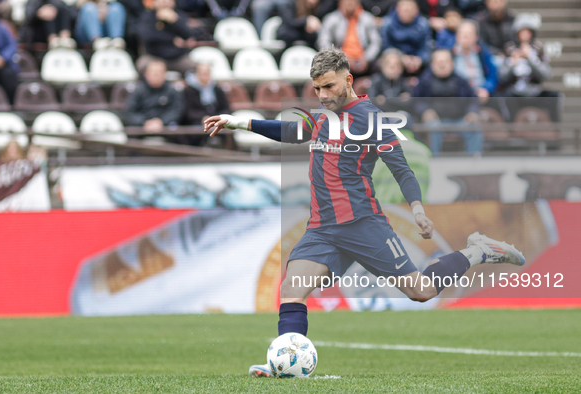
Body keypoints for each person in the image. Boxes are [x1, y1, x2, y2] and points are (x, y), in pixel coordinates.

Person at [203, 49, 525, 378]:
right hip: (323, 229)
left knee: (422, 291)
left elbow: (403, 170)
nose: (322, 95)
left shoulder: (371, 120)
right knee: (291, 289)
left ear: (348, 80)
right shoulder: (321, 117)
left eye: (328, 87)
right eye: (316, 89)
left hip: (364, 226)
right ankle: (284, 364)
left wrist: (417, 210)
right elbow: (290, 132)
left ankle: (477, 250)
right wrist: (238, 122)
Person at [412, 48, 483, 155]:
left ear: (452, 63)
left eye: (445, 61)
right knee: (433, 127)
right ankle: (435, 163)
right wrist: (425, 111)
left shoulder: (461, 81)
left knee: (474, 128)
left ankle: (473, 163)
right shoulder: (424, 82)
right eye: (438, 62)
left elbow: (472, 100)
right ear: (432, 65)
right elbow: (416, 101)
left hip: (459, 121)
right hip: (436, 122)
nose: (442, 65)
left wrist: (472, 112)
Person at [500, 13, 559, 122]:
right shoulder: (509, 49)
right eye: (522, 31)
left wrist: (531, 59)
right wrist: (512, 63)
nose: (525, 35)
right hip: (515, 92)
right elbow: (502, 76)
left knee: (554, 96)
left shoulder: (538, 49)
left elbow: (546, 74)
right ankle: (511, 131)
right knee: (504, 97)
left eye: (527, 31)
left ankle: (555, 130)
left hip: (535, 92)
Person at [317, 0, 381, 76]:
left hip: (364, 60)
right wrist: (342, 58)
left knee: (380, 66)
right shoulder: (331, 19)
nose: (350, 3)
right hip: (339, 60)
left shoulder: (367, 19)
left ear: (358, 2)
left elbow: (376, 42)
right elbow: (323, 43)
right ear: (340, 2)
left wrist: (366, 58)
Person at [125, 60, 184, 137]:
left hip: (166, 126)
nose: (156, 75)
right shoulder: (138, 91)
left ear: (165, 74)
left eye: (159, 73)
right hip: (142, 127)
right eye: (153, 73)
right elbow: (130, 112)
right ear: (146, 74)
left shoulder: (172, 91)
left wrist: (162, 122)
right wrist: (144, 122)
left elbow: (177, 110)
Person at [136, 0, 196, 75]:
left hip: (178, 58)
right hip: (155, 57)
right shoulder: (148, 16)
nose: (164, 3)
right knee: (142, 64)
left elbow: (189, 35)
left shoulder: (179, 15)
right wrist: (172, 40)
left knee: (194, 67)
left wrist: (175, 21)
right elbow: (147, 36)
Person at [183, 63, 230, 145]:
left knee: (228, 131)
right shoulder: (189, 91)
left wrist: (218, 118)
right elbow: (187, 112)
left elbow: (226, 108)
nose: (205, 76)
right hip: (197, 123)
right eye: (202, 73)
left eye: (207, 73)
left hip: (217, 121)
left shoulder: (217, 90)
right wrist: (203, 118)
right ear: (197, 74)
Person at [380, 0, 431, 75]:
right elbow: (386, 47)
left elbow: (427, 48)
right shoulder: (387, 23)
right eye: (404, 9)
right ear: (397, 9)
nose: (406, 12)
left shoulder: (423, 24)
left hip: (417, 60)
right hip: (395, 57)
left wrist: (419, 60)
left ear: (416, 10)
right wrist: (401, 58)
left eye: (409, 9)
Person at [452, 20, 498, 99]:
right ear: (457, 37)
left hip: (480, 92)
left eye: (469, 34)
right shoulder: (451, 54)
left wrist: (486, 89)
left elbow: (493, 75)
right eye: (462, 34)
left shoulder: (483, 52)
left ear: (476, 37)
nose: (465, 37)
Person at [0, 4, 18, 103]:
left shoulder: (2, 28)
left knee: (8, 74)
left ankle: (10, 104)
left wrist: (2, 58)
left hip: (1, 62)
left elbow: (12, 46)